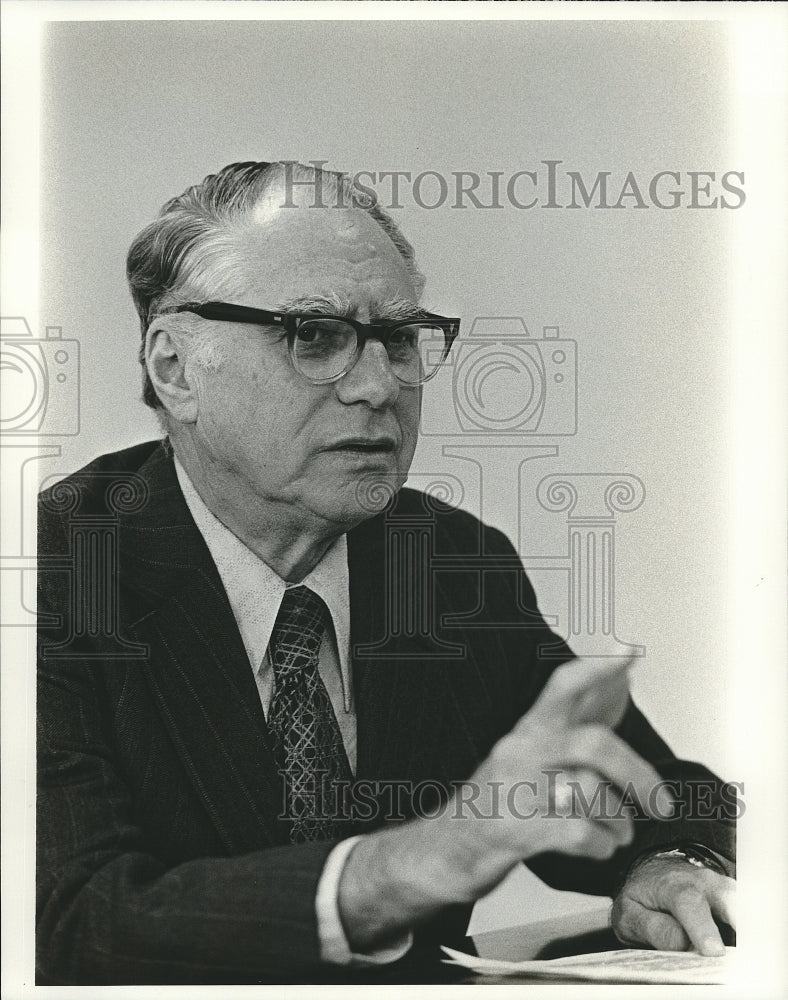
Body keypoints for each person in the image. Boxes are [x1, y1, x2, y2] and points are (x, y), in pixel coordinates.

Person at [37, 160, 736, 985]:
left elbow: (648, 794)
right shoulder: (51, 571)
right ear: (175, 370)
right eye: (313, 336)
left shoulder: (444, 565)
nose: (378, 386)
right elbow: (73, 921)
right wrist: (408, 864)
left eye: (399, 339)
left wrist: (665, 864)